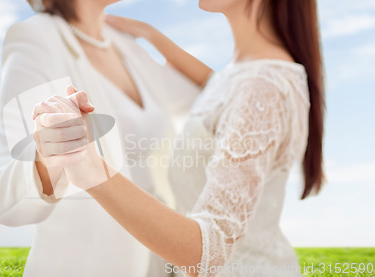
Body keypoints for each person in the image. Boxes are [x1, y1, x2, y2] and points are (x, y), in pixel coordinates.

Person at [33, 0, 326, 276]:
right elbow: (216, 86)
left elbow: (208, 252)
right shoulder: (242, 75)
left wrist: (87, 163)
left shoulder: (260, 87)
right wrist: (151, 35)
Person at [0, 0, 205, 276]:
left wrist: (153, 35)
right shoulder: (37, 38)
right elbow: (1, 202)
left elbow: (214, 96)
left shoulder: (123, 44)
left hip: (165, 259)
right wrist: (49, 157)